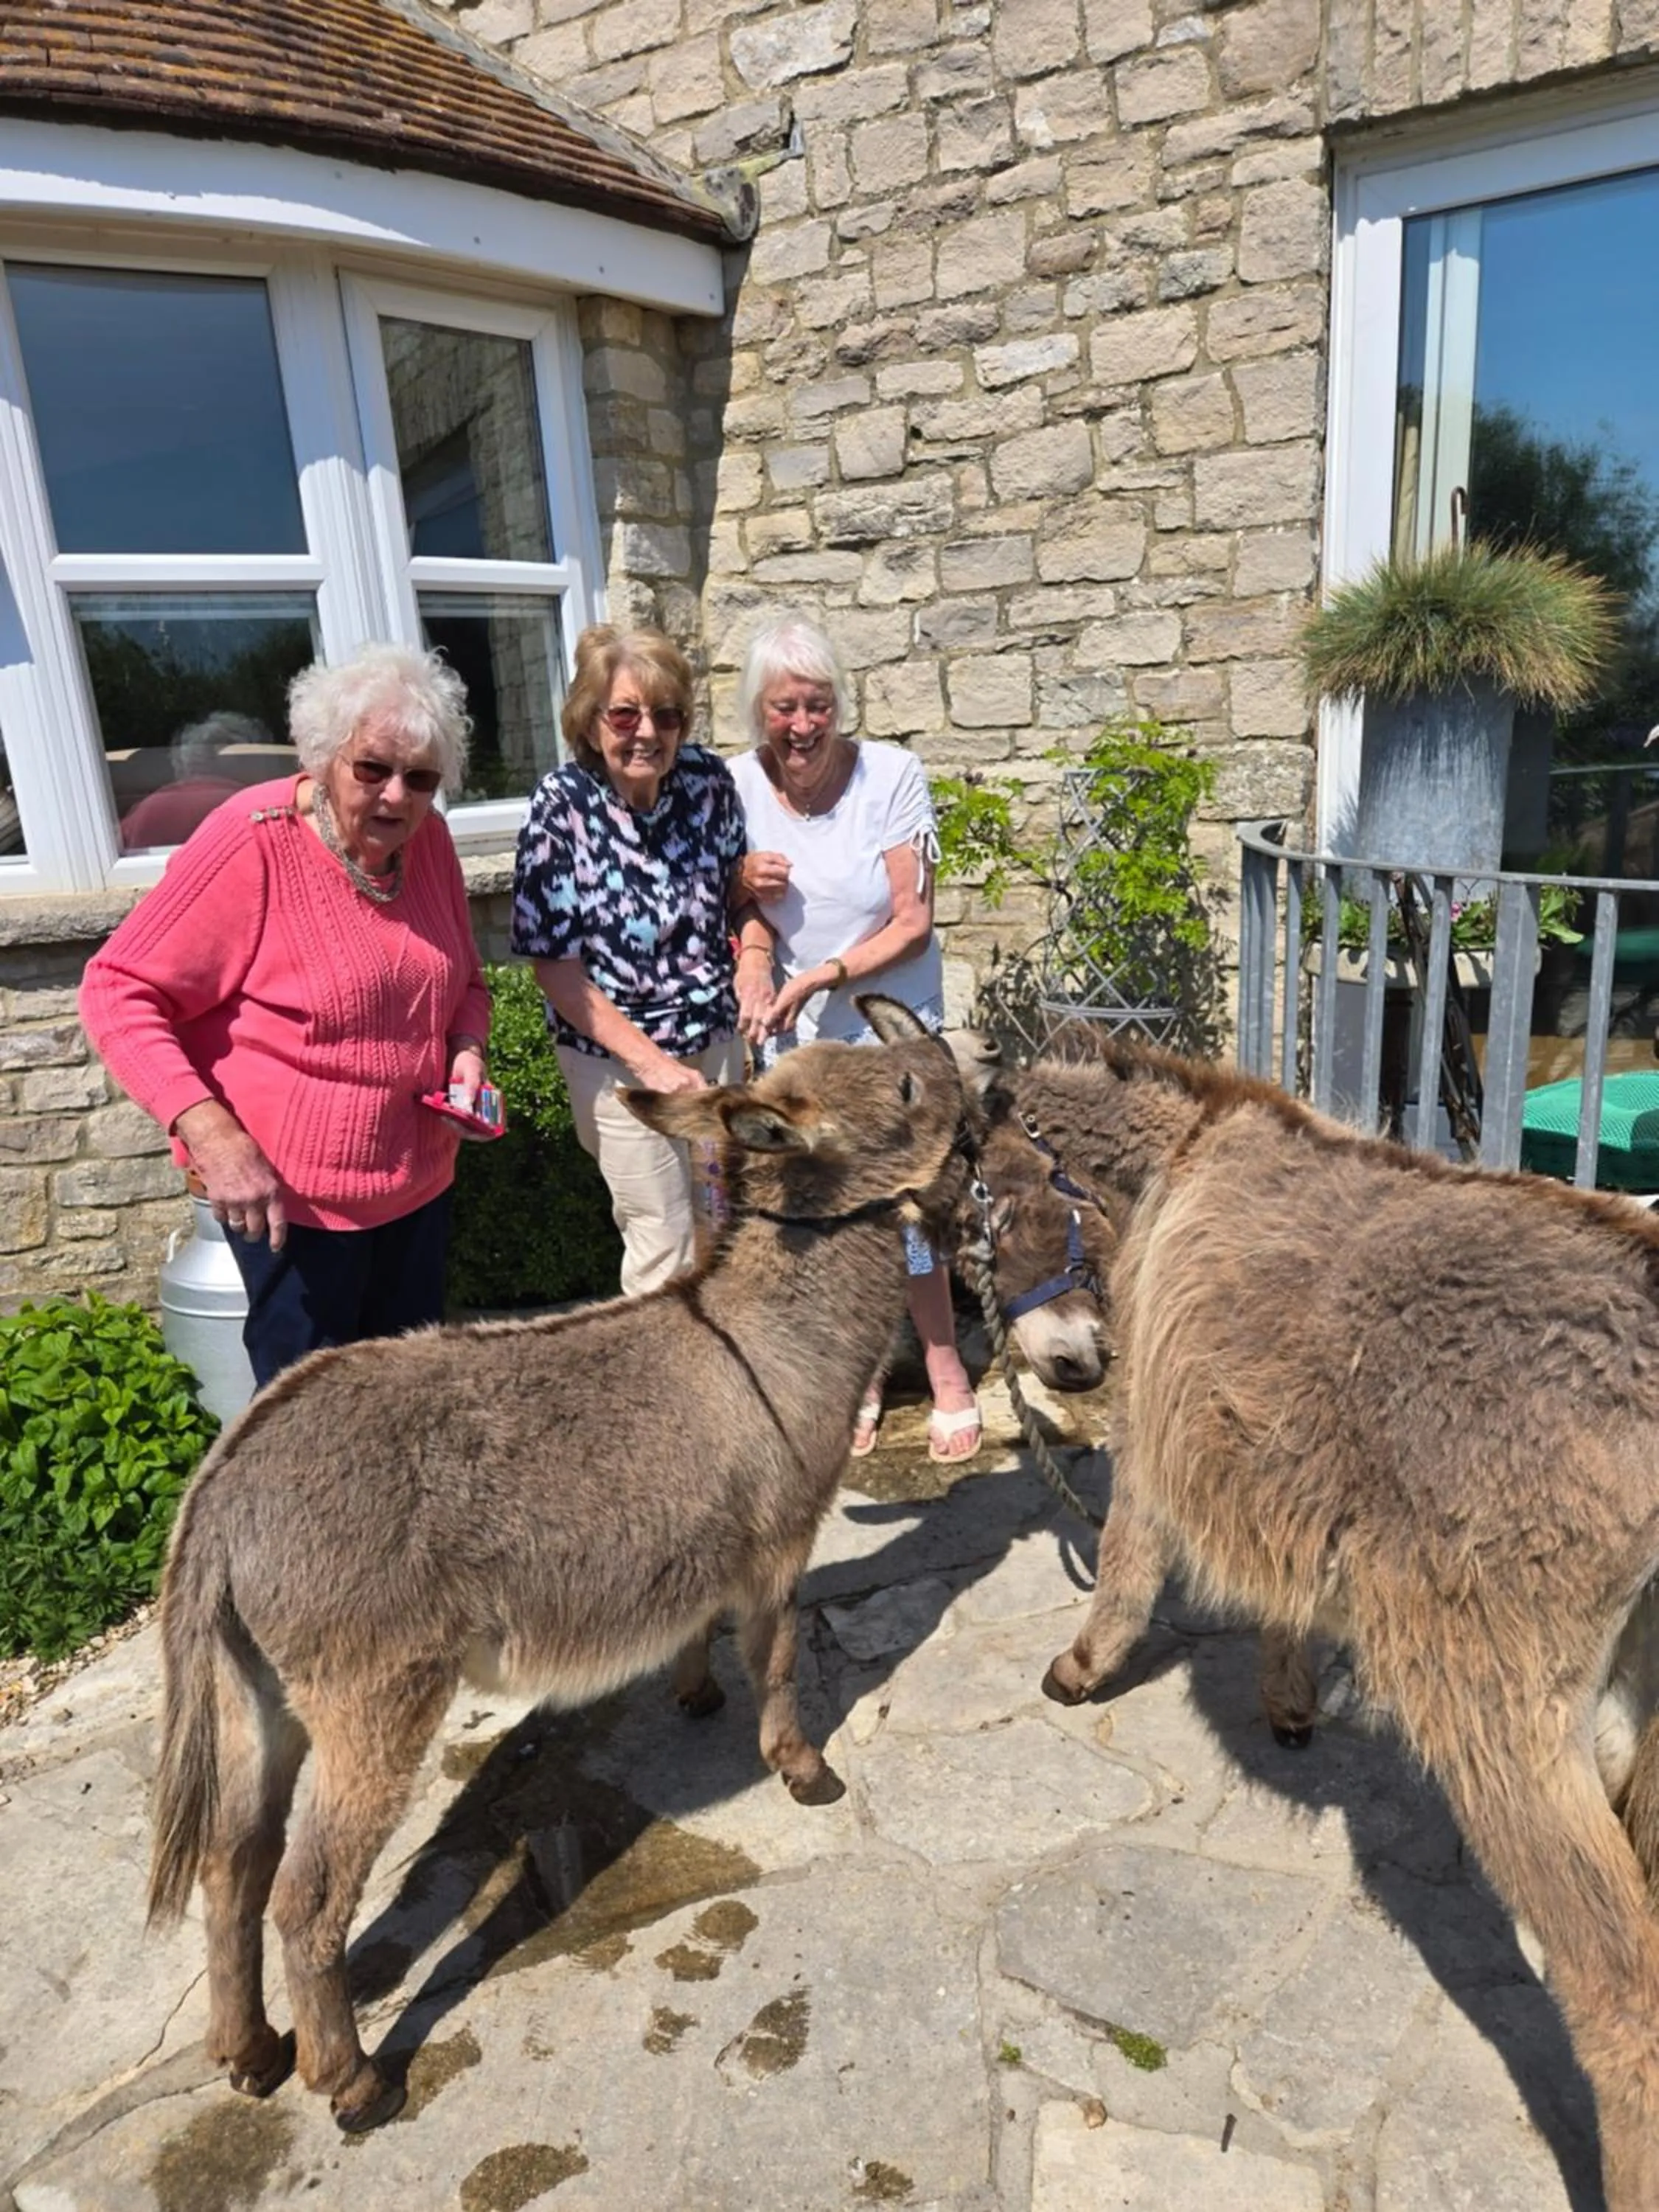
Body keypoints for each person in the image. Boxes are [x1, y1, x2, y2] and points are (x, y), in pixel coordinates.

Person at [80, 642, 490, 1388]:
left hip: (418, 1186)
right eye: (372, 769)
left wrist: (465, 1051)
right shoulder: (253, 838)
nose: (396, 797)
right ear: (327, 756)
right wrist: (212, 1134)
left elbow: (465, 982)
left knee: (408, 1402)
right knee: (310, 1434)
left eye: (420, 779)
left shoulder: (428, 844)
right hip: (292, 1208)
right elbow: (116, 990)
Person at [728, 613, 981, 1462]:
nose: (802, 726)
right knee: (825, 1217)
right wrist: (757, 964)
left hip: (888, 1029)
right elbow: (749, 917)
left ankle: (945, 1367)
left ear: (840, 705)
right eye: (784, 708)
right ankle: (864, 1374)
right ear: (758, 712)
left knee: (910, 1210)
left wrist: (820, 974)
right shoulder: (737, 787)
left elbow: (913, 920)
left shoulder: (892, 776)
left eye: (818, 705)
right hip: (798, 1046)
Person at [511, 625, 770, 1297]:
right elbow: (555, 968)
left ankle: (729, 1382)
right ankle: (666, 1397)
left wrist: (755, 960)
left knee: (723, 1221)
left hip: (714, 1046)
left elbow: (737, 898)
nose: (646, 732)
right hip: (618, 1065)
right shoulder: (560, 807)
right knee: (663, 1240)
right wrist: (653, 1066)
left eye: (666, 715)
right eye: (625, 713)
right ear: (591, 721)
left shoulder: (707, 782)